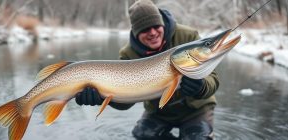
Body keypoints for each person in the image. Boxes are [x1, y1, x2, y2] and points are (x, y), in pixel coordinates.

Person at [75, 0, 219, 139]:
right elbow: (126, 102)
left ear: (162, 23)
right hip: (159, 112)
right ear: (136, 33)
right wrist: (103, 97)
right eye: (144, 29)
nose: (152, 32)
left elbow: (213, 79)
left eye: (156, 26)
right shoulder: (128, 54)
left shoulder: (188, 37)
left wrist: (201, 86)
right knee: (142, 134)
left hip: (196, 110)